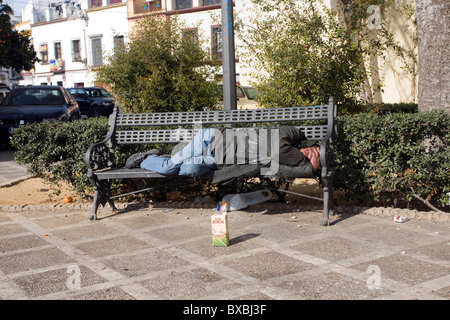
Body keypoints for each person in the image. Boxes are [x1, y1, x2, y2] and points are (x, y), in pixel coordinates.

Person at [126, 126, 320, 177]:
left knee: (188, 170)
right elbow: (277, 147)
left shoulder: (277, 161)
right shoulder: (291, 135)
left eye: (314, 158)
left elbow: (283, 171)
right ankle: (146, 158)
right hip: (211, 140)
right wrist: (303, 160)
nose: (308, 155)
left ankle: (174, 155)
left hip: (216, 161)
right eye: (313, 151)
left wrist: (309, 169)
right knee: (169, 169)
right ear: (311, 145)